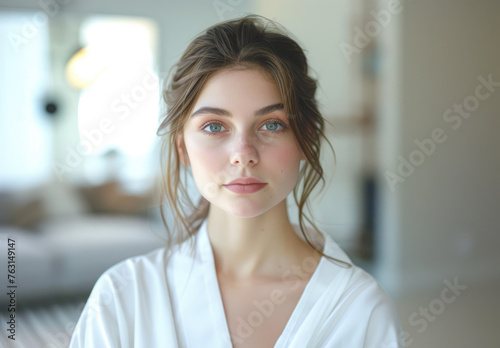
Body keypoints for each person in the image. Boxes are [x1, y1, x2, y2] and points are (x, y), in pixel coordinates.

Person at [69, 14, 402, 348]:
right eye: (214, 126)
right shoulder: (121, 298)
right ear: (182, 146)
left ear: (306, 137)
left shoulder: (360, 310)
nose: (243, 154)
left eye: (272, 125)